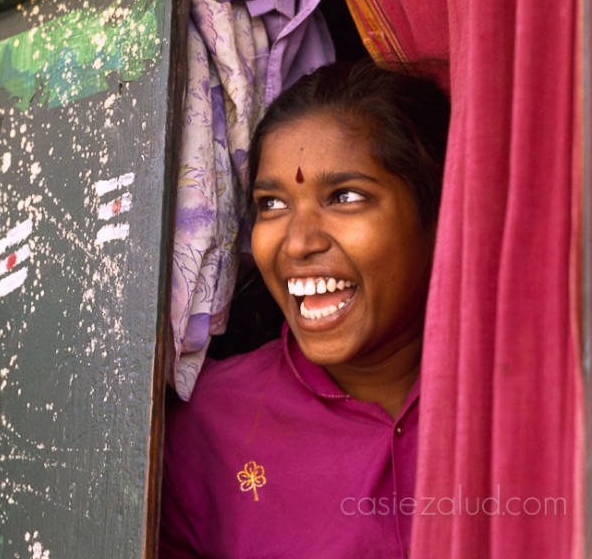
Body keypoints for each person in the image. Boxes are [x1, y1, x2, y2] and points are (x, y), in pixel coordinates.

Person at [159, 60, 450, 559]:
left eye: (345, 196)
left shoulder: (526, 393)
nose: (296, 244)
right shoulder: (209, 430)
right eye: (272, 204)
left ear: (440, 213)